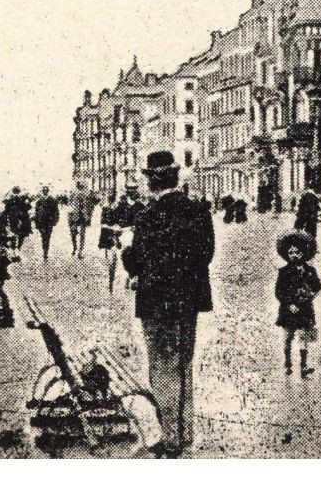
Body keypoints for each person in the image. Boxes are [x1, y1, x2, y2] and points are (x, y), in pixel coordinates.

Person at [122, 151, 215, 458]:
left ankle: (168, 439)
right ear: (175, 178)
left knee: (162, 367)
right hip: (188, 300)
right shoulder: (198, 210)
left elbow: (139, 259)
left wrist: (126, 250)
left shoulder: (147, 215)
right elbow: (206, 254)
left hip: (157, 300)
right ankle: (185, 434)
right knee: (184, 365)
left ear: (152, 180)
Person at [274, 229, 321, 378]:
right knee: (288, 336)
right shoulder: (283, 271)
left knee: (303, 336)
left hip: (305, 308)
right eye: (291, 252)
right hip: (288, 308)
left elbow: (318, 286)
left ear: (304, 254)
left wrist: (311, 295)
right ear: (287, 255)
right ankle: (287, 364)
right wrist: (289, 304)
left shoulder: (310, 270)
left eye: (297, 252)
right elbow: (279, 291)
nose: (294, 255)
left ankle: (304, 365)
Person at [99, 197, 125, 292]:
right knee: (112, 262)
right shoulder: (105, 210)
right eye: (113, 203)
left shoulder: (121, 210)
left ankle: (126, 280)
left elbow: (123, 223)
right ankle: (111, 283)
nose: (115, 205)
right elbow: (102, 224)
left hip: (119, 238)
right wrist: (111, 227)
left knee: (121, 260)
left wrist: (119, 228)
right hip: (110, 238)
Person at [68, 188, 98, 259]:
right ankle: (75, 247)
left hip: (83, 217)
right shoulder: (73, 195)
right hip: (74, 216)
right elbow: (69, 205)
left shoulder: (88, 196)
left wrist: (88, 216)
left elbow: (91, 207)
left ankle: (80, 252)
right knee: (73, 234)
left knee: (82, 234)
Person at [33, 185, 61, 261]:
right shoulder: (39, 201)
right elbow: (36, 213)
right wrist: (36, 223)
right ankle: (44, 251)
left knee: (47, 237)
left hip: (49, 221)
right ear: (42, 192)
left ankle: (46, 252)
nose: (45, 192)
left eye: (46, 191)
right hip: (41, 222)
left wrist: (55, 220)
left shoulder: (53, 200)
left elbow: (56, 212)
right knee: (43, 237)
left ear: (48, 191)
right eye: (43, 191)